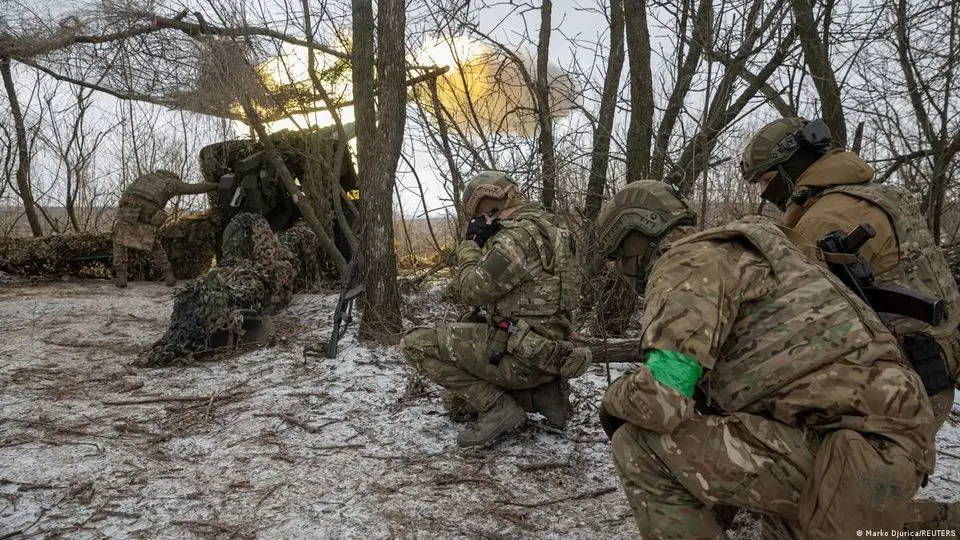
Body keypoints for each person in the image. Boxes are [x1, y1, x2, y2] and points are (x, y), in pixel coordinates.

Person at [595, 180, 935, 538]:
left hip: (849, 450)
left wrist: (613, 398)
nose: (620, 266)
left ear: (638, 232)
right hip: (885, 439)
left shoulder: (685, 261)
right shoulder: (757, 246)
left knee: (636, 446)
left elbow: (661, 398)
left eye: (619, 254)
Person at [740, 117, 960, 446]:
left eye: (767, 179)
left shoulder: (829, 216)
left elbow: (787, 318)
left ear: (793, 167)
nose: (764, 191)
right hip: (929, 368)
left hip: (900, 392)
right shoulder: (878, 193)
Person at [400, 171, 592, 447]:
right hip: (549, 355)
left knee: (414, 344)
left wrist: (471, 245)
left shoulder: (516, 239)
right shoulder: (559, 232)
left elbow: (469, 290)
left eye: (481, 214)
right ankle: (541, 397)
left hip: (521, 359)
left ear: (489, 207)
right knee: (455, 403)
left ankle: (498, 409)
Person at [113, 170, 218, 288]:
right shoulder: (172, 183)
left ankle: (121, 276)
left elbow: (129, 189)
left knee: (119, 240)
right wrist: (217, 185)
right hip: (149, 210)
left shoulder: (145, 177)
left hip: (128, 204)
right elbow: (195, 188)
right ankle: (168, 275)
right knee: (153, 242)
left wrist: (129, 198)